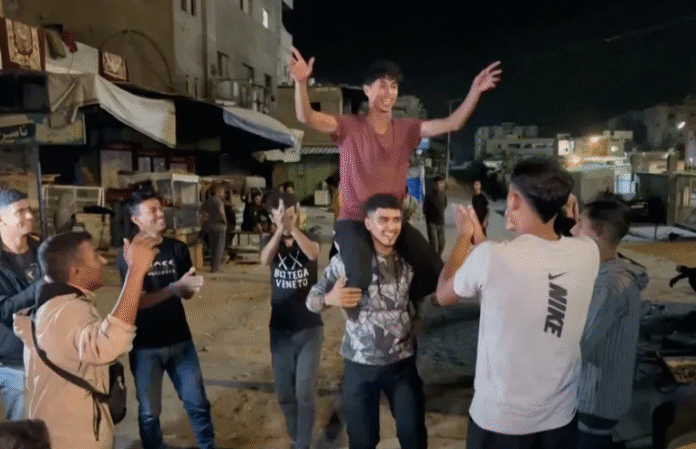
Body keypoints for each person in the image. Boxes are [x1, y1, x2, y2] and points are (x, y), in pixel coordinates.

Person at [288, 48, 501, 302]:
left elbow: (453, 123)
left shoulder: (406, 129)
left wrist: (475, 91)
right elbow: (306, 116)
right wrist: (301, 83)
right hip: (355, 220)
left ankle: (411, 309)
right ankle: (336, 272)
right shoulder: (349, 126)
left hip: (392, 222)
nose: (388, 92)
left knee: (433, 272)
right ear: (367, 90)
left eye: (393, 86)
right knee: (360, 278)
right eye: (382, 85)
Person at [436, 157, 600, 449]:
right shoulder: (588, 252)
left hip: (502, 423)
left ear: (513, 199)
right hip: (560, 419)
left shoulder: (492, 257)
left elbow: (444, 294)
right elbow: (521, 268)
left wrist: (463, 237)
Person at [13, 231, 159, 449]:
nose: (104, 261)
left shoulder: (58, 305)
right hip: (70, 440)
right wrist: (136, 272)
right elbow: (109, 343)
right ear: (76, 271)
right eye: (95, 256)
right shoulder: (65, 311)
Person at [307, 194, 427, 449]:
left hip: (402, 365)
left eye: (396, 219)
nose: (391, 227)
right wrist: (329, 298)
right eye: (383, 220)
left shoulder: (409, 260)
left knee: (414, 436)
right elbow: (311, 301)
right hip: (360, 367)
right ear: (368, 223)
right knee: (362, 441)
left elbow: (427, 294)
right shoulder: (348, 261)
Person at [118, 189, 216, 449]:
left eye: (160, 208)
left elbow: (186, 294)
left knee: (198, 404)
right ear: (136, 219)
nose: (161, 214)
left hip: (180, 339)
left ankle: (208, 445)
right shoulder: (129, 254)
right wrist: (173, 289)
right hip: (145, 346)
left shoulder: (177, 248)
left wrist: (187, 288)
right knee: (149, 413)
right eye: (152, 210)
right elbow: (136, 302)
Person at [571, 200, 648, 449]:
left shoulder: (609, 286)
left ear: (600, 232)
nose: (573, 230)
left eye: (580, 223)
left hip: (594, 400)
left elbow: (579, 347)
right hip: (602, 397)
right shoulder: (610, 275)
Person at [260, 192, 322, 449]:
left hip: (309, 327)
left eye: (291, 215)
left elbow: (313, 254)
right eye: (280, 215)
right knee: (285, 393)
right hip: (280, 330)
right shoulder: (269, 240)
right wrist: (279, 231)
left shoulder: (311, 235)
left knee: (304, 391)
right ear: (272, 217)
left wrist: (293, 229)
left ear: (298, 215)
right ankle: (295, 434)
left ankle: (302, 444)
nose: (286, 219)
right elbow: (264, 259)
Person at [0, 189, 43, 420]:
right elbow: (4, 310)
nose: (29, 216)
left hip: (46, 353)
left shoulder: (43, 252)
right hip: (13, 361)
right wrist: (43, 285)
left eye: (30, 210)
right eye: (20, 212)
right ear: (1, 219)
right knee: (22, 427)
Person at [202, 183, 228, 273]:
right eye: (223, 192)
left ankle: (212, 266)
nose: (224, 194)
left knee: (213, 247)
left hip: (211, 226)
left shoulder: (208, 200)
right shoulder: (219, 201)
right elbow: (221, 212)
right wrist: (224, 221)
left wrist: (206, 220)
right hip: (220, 226)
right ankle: (216, 267)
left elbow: (203, 212)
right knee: (219, 247)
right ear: (219, 191)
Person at [423, 176, 447, 254]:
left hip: (441, 223)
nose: (440, 186)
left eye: (441, 183)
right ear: (434, 185)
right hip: (432, 223)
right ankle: (434, 259)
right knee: (434, 245)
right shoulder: (429, 195)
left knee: (442, 244)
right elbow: (425, 210)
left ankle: (437, 257)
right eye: (437, 184)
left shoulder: (444, 195)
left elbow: (444, 206)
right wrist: (429, 222)